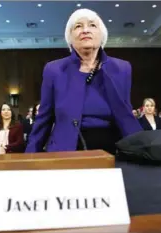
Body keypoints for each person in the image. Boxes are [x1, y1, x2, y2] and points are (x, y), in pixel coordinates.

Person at [26, 8, 141, 154]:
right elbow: (43, 120)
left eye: (92, 25)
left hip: (114, 150)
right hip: (67, 151)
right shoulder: (54, 70)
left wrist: (141, 150)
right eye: (78, 26)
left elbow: (125, 114)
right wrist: (28, 160)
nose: (85, 30)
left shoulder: (122, 68)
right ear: (70, 37)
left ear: (102, 35)